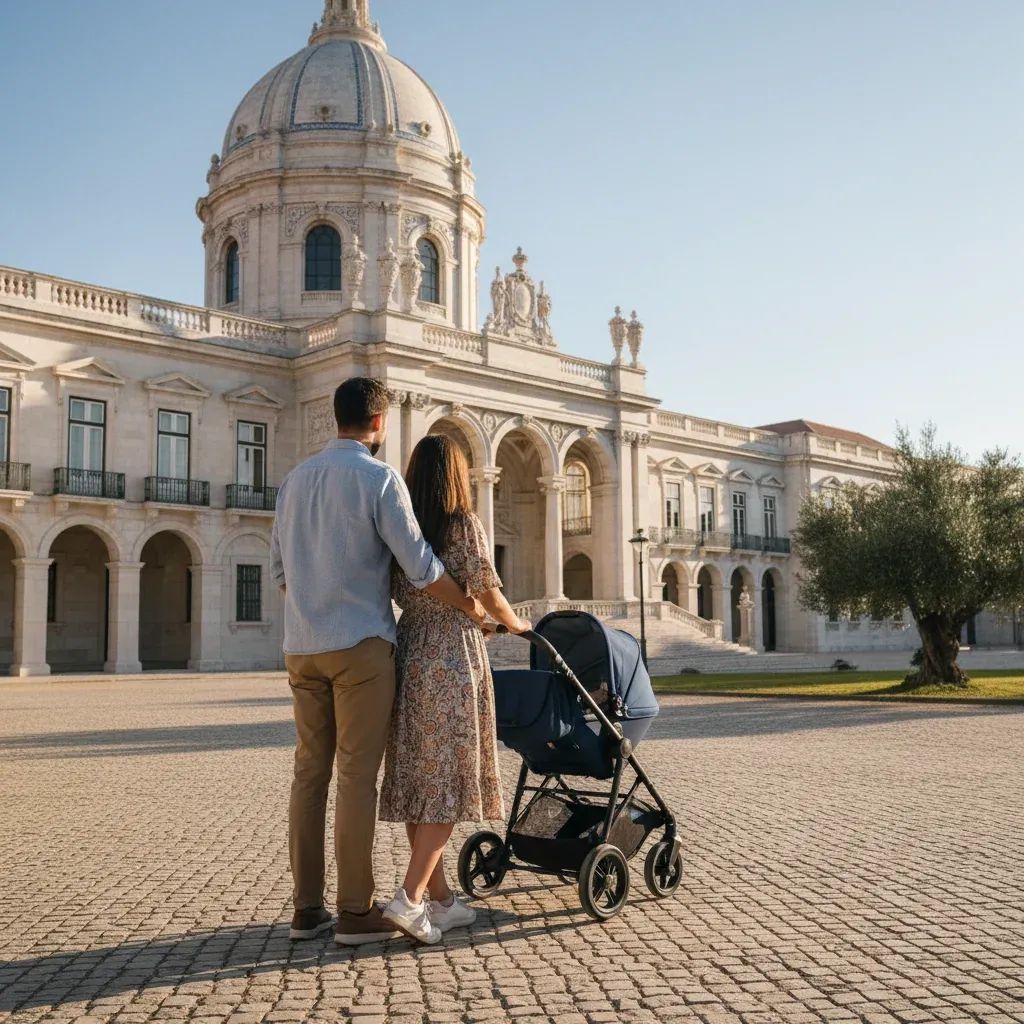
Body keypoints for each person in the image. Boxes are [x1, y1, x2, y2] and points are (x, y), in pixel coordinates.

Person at [270, 378, 487, 946]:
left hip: (300, 645)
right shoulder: (379, 478)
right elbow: (419, 564)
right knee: (356, 778)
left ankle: (305, 909)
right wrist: (473, 607)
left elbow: (279, 573)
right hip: (362, 645)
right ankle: (354, 911)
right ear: (379, 422)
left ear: (333, 419)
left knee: (308, 775)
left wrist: (313, 606)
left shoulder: (293, 482)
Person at [378, 434, 530, 944]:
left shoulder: (401, 528)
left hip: (410, 650)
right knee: (448, 781)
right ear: (457, 476)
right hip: (451, 656)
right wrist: (517, 625)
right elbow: (488, 589)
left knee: (422, 779)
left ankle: (441, 902)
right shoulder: (464, 525)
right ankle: (411, 898)